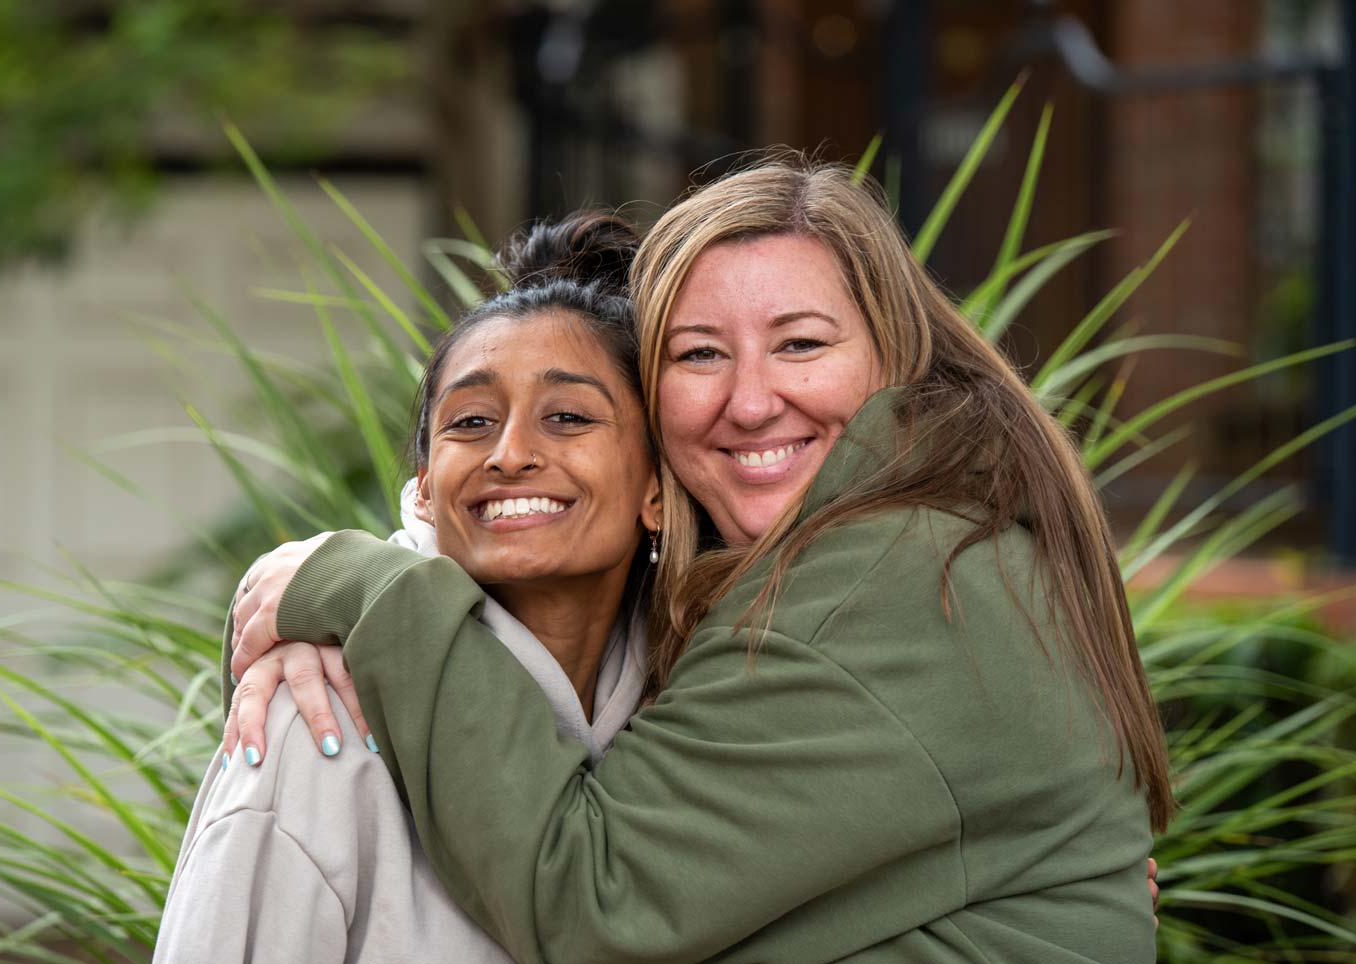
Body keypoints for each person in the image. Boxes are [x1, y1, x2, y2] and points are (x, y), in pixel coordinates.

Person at [226, 158, 1172, 962]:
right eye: (698, 355)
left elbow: (592, 899)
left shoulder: (887, 585)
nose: (751, 402)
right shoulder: (919, 537)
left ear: (897, 358)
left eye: (800, 344)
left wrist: (376, 590)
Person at [153, 212, 661, 963]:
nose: (511, 454)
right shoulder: (320, 723)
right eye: (472, 420)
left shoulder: (687, 708)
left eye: (568, 416)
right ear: (424, 490)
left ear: (659, 489)